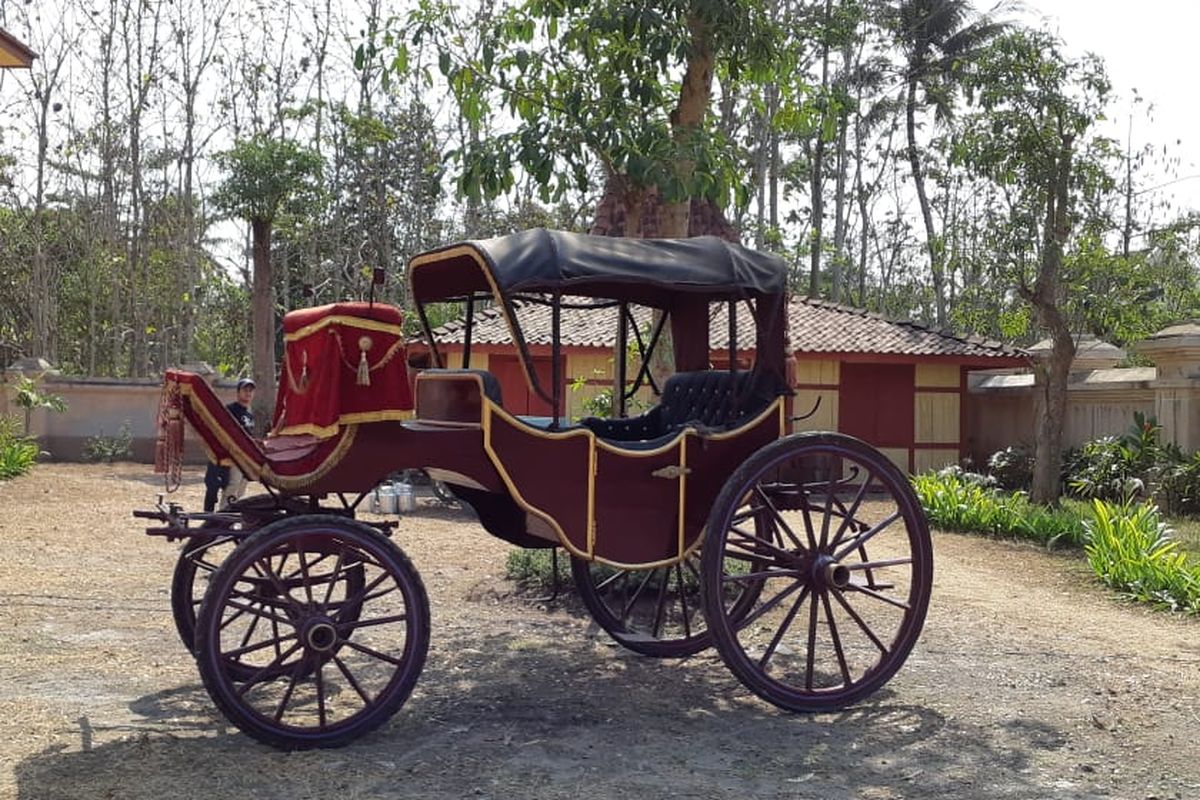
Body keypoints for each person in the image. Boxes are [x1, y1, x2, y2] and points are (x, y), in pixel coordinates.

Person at [203, 377, 256, 512]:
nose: (248, 393)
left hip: (246, 459)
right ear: (238, 392)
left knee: (241, 490)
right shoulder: (230, 410)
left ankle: (232, 516)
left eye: (251, 390)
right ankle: (223, 518)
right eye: (245, 390)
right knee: (232, 486)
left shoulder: (249, 414)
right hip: (233, 457)